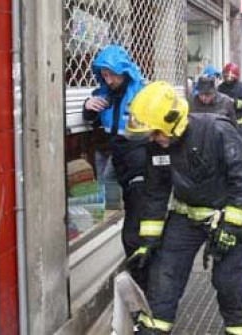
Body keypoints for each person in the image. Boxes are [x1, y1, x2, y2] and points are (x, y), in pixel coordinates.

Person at [125, 81, 242, 335]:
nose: (153, 139)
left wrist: (231, 227)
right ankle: (155, 328)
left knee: (229, 280)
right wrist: (148, 242)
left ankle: (240, 328)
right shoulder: (157, 147)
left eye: (156, 132)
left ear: (173, 121)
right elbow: (155, 193)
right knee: (164, 274)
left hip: (224, 217)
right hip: (186, 216)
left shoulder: (217, 131)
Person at [81, 44, 150, 292]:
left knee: (136, 219)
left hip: (139, 163)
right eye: (105, 75)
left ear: (124, 71)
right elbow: (91, 119)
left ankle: (142, 271)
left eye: (112, 74)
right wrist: (87, 107)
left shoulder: (142, 92)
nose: (109, 80)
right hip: (113, 158)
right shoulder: (102, 94)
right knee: (112, 205)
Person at [217, 63, 242, 140]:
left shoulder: (241, 87)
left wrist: (234, 102)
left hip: (239, 126)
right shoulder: (220, 88)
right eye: (226, 76)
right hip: (225, 125)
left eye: (231, 77)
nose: (228, 79)